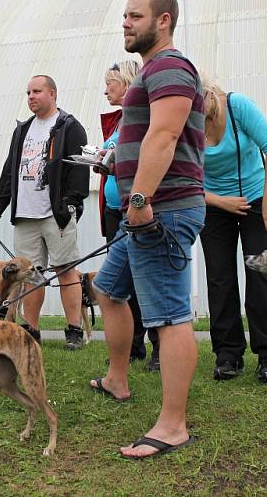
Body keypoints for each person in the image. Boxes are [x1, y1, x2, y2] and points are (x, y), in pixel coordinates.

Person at [89, 0, 205, 459]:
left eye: (135, 16)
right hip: (150, 206)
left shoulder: (172, 67)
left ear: (164, 21)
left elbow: (165, 134)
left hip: (162, 209)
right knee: (108, 287)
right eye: (125, 16)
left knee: (170, 316)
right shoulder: (154, 70)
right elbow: (146, 137)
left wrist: (139, 199)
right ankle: (118, 378)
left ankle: (173, 425)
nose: (126, 23)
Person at [0, 75, 89, 350]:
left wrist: (71, 204)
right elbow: (9, 174)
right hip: (26, 216)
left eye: (37, 91)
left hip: (56, 214)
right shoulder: (22, 131)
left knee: (66, 270)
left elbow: (79, 170)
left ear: (52, 93)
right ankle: (31, 329)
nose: (31, 96)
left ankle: (74, 330)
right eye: (28, 92)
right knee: (30, 274)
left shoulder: (69, 126)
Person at [200, 76, 267, 383]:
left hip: (255, 197)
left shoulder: (238, 107)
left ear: (210, 95)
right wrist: (221, 202)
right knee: (219, 278)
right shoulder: (183, 123)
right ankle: (227, 354)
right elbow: (184, 179)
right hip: (213, 204)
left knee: (261, 273)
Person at [97, 59, 160, 370]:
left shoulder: (144, 117)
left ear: (127, 83)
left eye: (111, 83)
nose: (105, 89)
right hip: (114, 210)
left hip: (137, 209)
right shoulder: (119, 121)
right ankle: (132, 346)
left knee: (149, 278)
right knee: (121, 283)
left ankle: (160, 349)